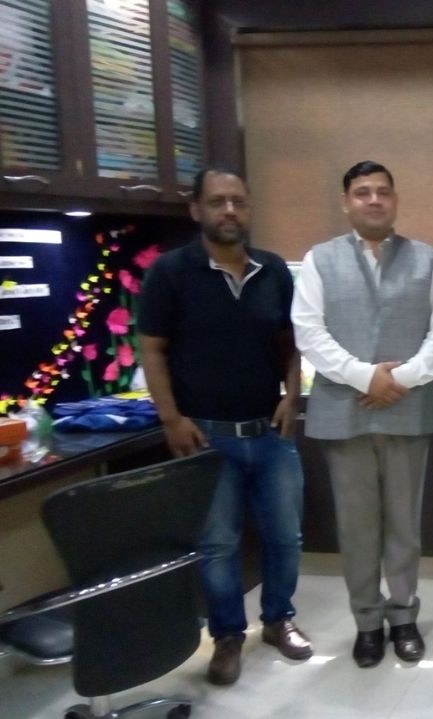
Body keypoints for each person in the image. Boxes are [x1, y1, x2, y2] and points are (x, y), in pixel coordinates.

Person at [139, 167, 311, 686]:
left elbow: (289, 344)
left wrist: (293, 396)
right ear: (197, 209)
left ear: (250, 208)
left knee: (286, 538)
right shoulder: (170, 273)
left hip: (270, 433)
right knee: (218, 545)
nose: (230, 210)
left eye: (238, 201)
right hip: (206, 437)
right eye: (217, 202)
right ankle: (228, 636)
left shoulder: (273, 270)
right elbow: (152, 349)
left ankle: (278, 620)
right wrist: (171, 418)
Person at [292, 161, 433, 668]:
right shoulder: (318, 260)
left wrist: (401, 379)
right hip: (345, 413)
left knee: (404, 524)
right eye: (362, 192)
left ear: (395, 200)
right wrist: (365, 377)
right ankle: (367, 622)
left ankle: (403, 617)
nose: (374, 200)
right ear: (346, 203)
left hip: (408, 408)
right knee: (357, 527)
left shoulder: (426, 259)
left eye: (383, 191)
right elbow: (309, 331)